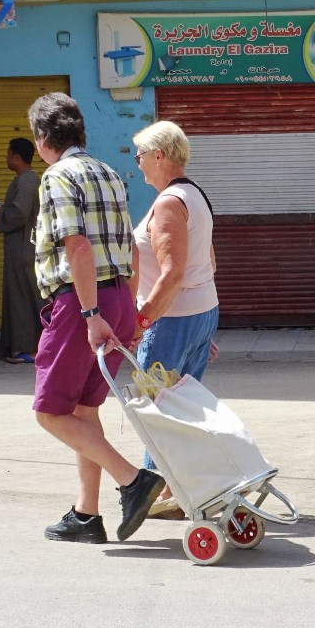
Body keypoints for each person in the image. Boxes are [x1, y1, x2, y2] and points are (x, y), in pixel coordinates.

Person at [28, 91, 165, 545]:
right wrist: (127, 309)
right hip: (117, 299)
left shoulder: (56, 176)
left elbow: (78, 246)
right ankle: (87, 515)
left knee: (50, 413)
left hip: (80, 303)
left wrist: (90, 313)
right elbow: (129, 247)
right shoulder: (108, 172)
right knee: (85, 412)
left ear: (45, 138)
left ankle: (133, 480)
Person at [130, 120, 220, 519]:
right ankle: (175, 487)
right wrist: (203, 329)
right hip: (197, 311)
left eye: (141, 154)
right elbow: (209, 261)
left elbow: (172, 272)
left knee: (155, 408)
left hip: (172, 317)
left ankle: (155, 491)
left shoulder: (169, 203)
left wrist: (142, 320)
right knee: (178, 406)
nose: (137, 162)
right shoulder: (194, 195)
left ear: (160, 155)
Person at [0, 137, 43, 364]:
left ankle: (28, 348)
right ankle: (19, 345)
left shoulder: (27, 181)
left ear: (17, 158)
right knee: (19, 295)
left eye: (9, 154)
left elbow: (19, 214)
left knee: (23, 298)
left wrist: (0, 214)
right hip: (20, 247)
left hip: (24, 249)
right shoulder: (25, 180)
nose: (6, 158)